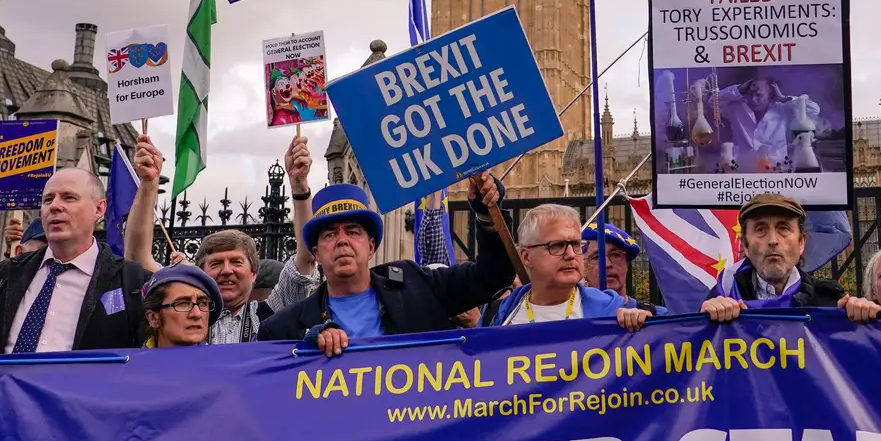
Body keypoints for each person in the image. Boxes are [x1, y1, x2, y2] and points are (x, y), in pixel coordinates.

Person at [259, 174, 516, 355]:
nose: (342, 241)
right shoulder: (285, 328)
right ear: (316, 253)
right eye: (329, 235)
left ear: (371, 247)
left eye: (353, 231)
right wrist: (306, 351)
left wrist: (487, 216)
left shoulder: (416, 284)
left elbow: (493, 276)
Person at [125, 133, 318, 343]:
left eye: (236, 262)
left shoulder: (274, 310)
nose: (227, 270)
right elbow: (136, 258)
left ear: (254, 274)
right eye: (216, 263)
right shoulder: (181, 312)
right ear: (201, 274)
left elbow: (306, 257)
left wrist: (299, 187)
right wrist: (148, 183)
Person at [0, 167, 147, 353]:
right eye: (48, 199)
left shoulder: (132, 282)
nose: (54, 206)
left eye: (69, 198)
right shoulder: (4, 275)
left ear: (99, 208)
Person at [491, 204, 651, 329]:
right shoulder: (499, 316)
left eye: (575, 244)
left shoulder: (612, 313)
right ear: (526, 257)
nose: (570, 254)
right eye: (557, 245)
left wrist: (645, 329)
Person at [701, 193, 844, 322]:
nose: (773, 240)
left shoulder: (830, 302)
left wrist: (861, 316)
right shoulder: (724, 294)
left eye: (783, 228)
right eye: (760, 229)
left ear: (801, 243)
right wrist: (704, 322)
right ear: (745, 245)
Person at [714, 78, 819, 170]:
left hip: (776, 170)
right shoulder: (736, 108)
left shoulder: (785, 110)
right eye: (750, 94)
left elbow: (814, 110)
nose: (753, 99)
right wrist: (739, 89)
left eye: (759, 95)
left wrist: (783, 98)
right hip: (742, 170)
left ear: (771, 94)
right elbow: (713, 101)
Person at [581, 221, 667, 314]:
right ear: (583, 269)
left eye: (615, 255)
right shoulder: (574, 316)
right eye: (596, 257)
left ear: (627, 264)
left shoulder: (658, 316)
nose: (607, 264)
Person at [140, 263, 224, 348]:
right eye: (183, 304)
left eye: (203, 303)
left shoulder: (222, 360)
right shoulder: (135, 361)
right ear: (153, 318)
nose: (197, 314)